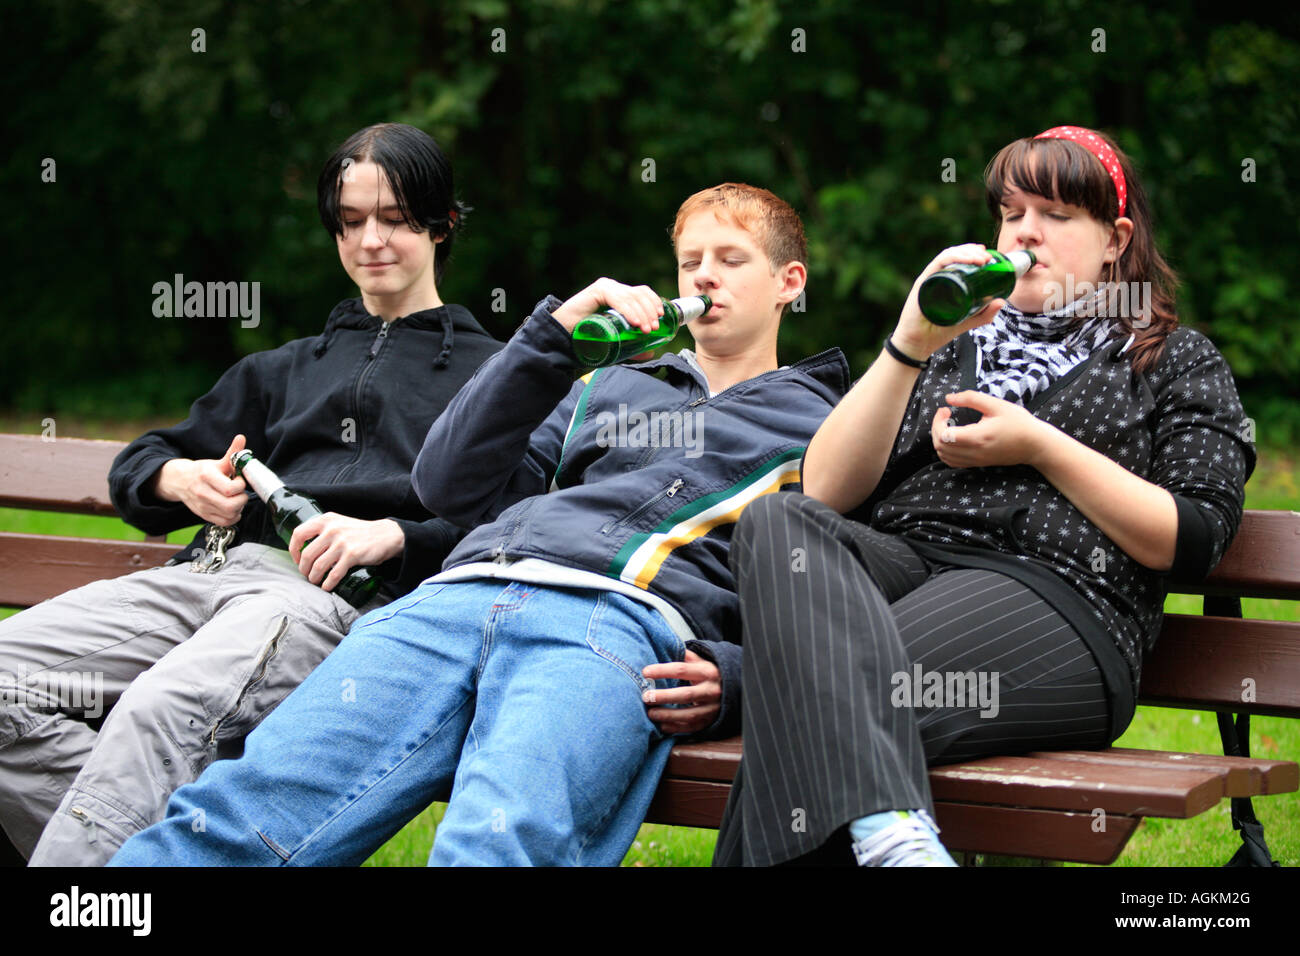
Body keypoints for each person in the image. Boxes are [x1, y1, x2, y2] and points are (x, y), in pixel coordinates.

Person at [107, 182, 850, 866]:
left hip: (611, 628)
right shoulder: (606, 384)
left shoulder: (827, 425)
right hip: (451, 599)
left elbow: (850, 593)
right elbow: (445, 484)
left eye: (730, 259)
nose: (703, 278)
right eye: (690, 261)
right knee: (240, 808)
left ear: (790, 282)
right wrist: (549, 340)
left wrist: (739, 677)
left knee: (498, 843)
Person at [712, 126, 1255, 866]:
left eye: (1057, 215)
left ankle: (885, 829)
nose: (1026, 231)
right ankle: (890, 831)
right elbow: (827, 491)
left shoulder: (1172, 360)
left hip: (1060, 600)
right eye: (1011, 212)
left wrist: (1039, 445)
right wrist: (908, 342)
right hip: (907, 572)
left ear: (1113, 240)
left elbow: (1191, 539)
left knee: (818, 705)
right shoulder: (956, 339)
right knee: (779, 519)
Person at [0, 123, 502, 866]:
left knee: (157, 713)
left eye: (394, 218)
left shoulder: (492, 377)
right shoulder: (284, 368)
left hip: (324, 599)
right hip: (202, 579)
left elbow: (510, 526)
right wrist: (179, 479)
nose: (371, 240)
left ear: (443, 222)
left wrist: (394, 535)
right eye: (352, 220)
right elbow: (147, 459)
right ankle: (160, 856)